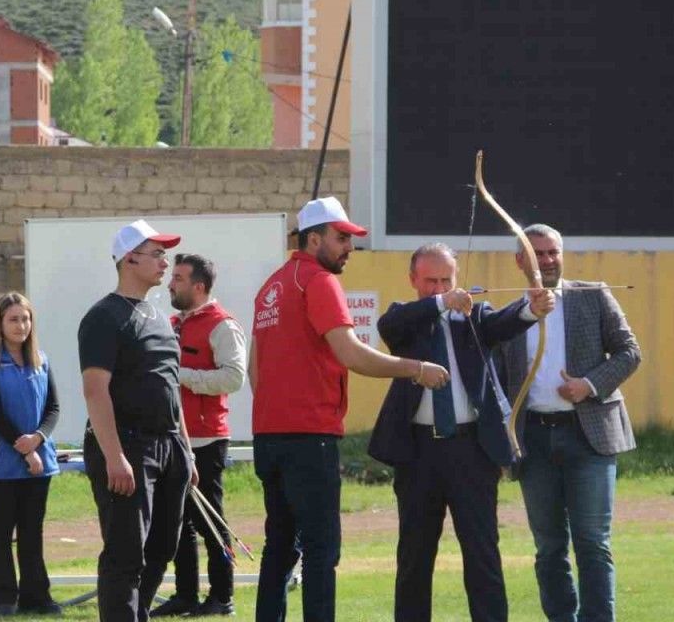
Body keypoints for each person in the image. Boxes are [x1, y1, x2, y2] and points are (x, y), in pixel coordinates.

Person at [250, 197, 450, 622]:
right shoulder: (319, 281)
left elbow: (255, 368)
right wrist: (416, 369)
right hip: (310, 437)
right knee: (321, 550)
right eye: (341, 238)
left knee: (279, 547)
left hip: (269, 436)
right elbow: (352, 354)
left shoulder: (272, 285)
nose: (349, 247)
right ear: (313, 239)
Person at [368, 243, 554, 622]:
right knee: (415, 556)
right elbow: (390, 326)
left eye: (447, 281)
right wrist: (440, 303)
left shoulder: (475, 316)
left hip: (471, 451)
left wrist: (531, 309)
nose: (440, 288)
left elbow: (504, 322)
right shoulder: (405, 319)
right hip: (418, 452)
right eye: (431, 281)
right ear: (413, 279)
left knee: (482, 553)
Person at [499, 224, 641, 622]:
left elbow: (630, 352)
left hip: (588, 435)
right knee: (549, 547)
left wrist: (588, 385)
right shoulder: (509, 316)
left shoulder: (593, 295)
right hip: (533, 440)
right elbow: (497, 381)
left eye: (553, 252)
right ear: (520, 260)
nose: (547, 260)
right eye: (537, 253)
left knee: (593, 542)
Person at [79, 219, 199, 622]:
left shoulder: (159, 317)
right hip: (129, 446)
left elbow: (171, 389)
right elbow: (95, 391)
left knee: (163, 548)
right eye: (158, 254)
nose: (166, 262)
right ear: (130, 259)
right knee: (126, 553)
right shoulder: (104, 316)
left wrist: (186, 453)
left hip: (169, 446)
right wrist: (115, 457)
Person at [149, 253, 247, 618]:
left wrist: (184, 376)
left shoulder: (223, 325)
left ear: (199, 286)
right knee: (179, 522)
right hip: (174, 437)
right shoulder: (173, 323)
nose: (170, 284)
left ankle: (222, 597)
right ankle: (185, 595)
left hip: (206, 438)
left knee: (210, 520)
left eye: (178, 278)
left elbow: (234, 378)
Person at [0, 292, 63, 616]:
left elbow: (53, 408)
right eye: (13, 319)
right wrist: (25, 449)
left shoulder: (41, 360)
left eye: (25, 319)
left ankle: (37, 596)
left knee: (31, 531)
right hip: (0, 461)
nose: (21, 325)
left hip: (39, 460)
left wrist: (38, 439)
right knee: (1, 530)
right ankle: (4, 597)